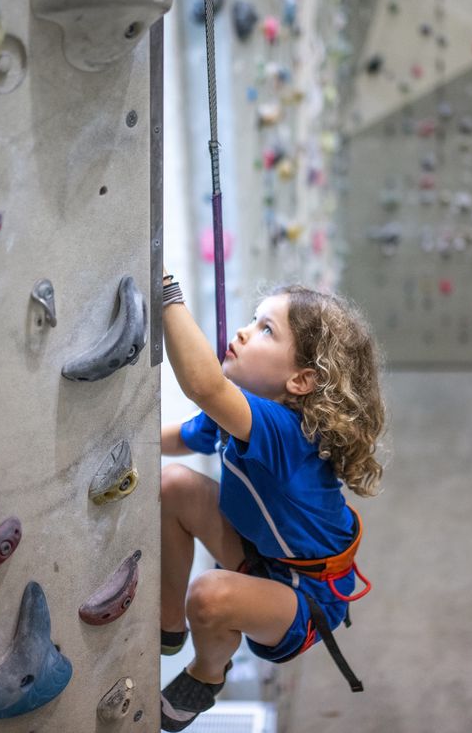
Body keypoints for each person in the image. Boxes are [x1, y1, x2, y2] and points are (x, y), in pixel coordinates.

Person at [158, 270, 386, 732]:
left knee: (208, 596)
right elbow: (181, 439)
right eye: (252, 320)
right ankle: (166, 625)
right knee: (173, 486)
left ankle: (207, 674)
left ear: (301, 380)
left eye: (266, 329)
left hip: (305, 597)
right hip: (263, 555)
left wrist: (165, 292)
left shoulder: (287, 432)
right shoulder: (240, 409)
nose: (243, 331)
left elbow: (203, 385)